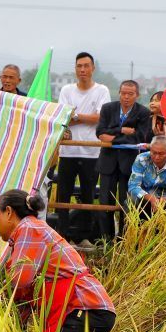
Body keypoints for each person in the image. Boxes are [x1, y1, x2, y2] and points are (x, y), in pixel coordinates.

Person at [0, 189, 115, 332]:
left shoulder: (29, 228)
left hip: (84, 308)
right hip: (89, 310)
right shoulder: (33, 229)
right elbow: (25, 294)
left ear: (9, 212)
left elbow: (20, 281)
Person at [56, 52, 110, 240]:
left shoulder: (101, 90)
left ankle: (85, 237)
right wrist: (87, 117)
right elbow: (62, 118)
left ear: (93, 68)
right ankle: (61, 236)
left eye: (86, 66)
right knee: (63, 195)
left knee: (88, 195)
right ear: (75, 68)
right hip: (67, 151)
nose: (83, 69)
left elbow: (101, 118)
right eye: (79, 66)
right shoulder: (66, 90)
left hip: (91, 152)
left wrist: (76, 116)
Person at [96, 80, 150, 239]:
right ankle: (106, 240)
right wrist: (122, 130)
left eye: (130, 94)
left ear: (137, 95)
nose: (126, 97)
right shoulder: (108, 108)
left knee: (126, 202)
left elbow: (139, 137)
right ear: (119, 93)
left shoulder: (143, 112)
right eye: (123, 93)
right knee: (105, 202)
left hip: (130, 164)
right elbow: (100, 132)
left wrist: (112, 138)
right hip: (107, 162)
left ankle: (124, 239)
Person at [127, 136, 166, 218]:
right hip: (145, 195)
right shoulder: (141, 159)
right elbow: (133, 185)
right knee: (132, 199)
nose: (157, 157)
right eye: (153, 153)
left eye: (161, 154)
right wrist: (151, 198)